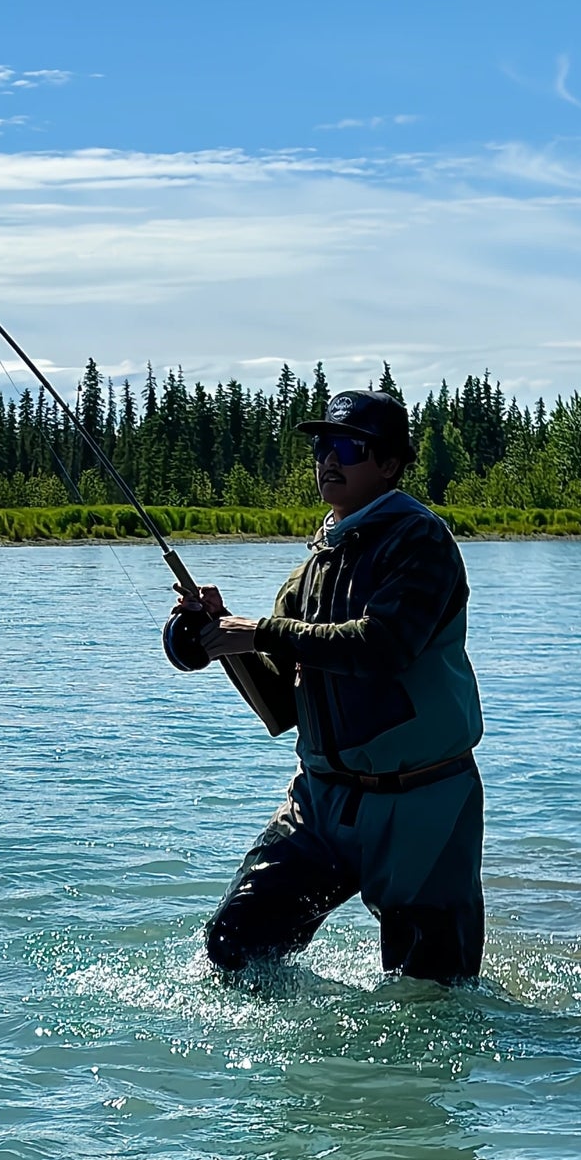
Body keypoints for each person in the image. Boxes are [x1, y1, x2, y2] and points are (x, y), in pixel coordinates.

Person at [176, 389, 485, 983]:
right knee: (235, 947)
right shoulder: (312, 568)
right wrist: (221, 637)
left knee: (433, 991)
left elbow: (382, 646)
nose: (328, 459)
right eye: (321, 447)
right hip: (321, 803)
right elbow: (280, 705)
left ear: (391, 464)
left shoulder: (422, 543)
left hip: (424, 802)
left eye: (348, 446)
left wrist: (261, 632)